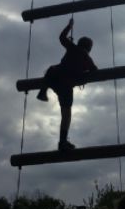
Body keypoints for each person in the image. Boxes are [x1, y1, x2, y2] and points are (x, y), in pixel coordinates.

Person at [36, 18, 98, 151]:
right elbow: (95, 72)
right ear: (89, 48)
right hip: (66, 86)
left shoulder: (72, 47)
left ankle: (43, 91)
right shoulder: (86, 57)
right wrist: (83, 77)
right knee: (66, 115)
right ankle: (62, 142)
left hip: (55, 77)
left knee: (51, 69)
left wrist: (69, 26)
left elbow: (61, 37)